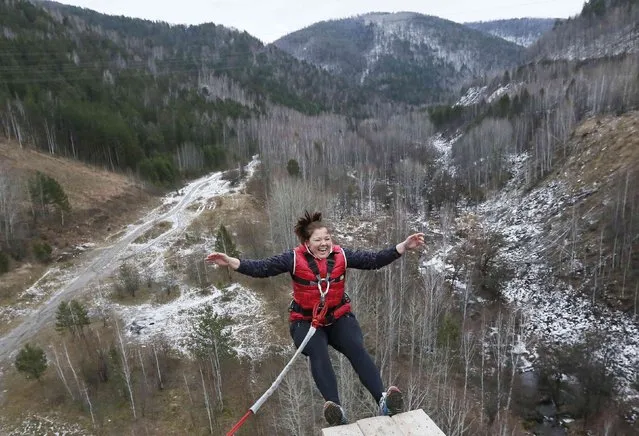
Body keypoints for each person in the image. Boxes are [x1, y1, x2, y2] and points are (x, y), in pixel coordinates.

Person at [205, 211, 425, 426]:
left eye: (327, 239)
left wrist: (403, 247)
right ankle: (336, 410)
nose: (324, 244)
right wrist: (232, 261)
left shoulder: (342, 256)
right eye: (318, 240)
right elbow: (263, 268)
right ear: (307, 243)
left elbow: (373, 260)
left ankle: (383, 400)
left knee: (356, 348)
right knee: (318, 353)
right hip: (305, 322)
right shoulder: (293, 259)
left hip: (338, 317)